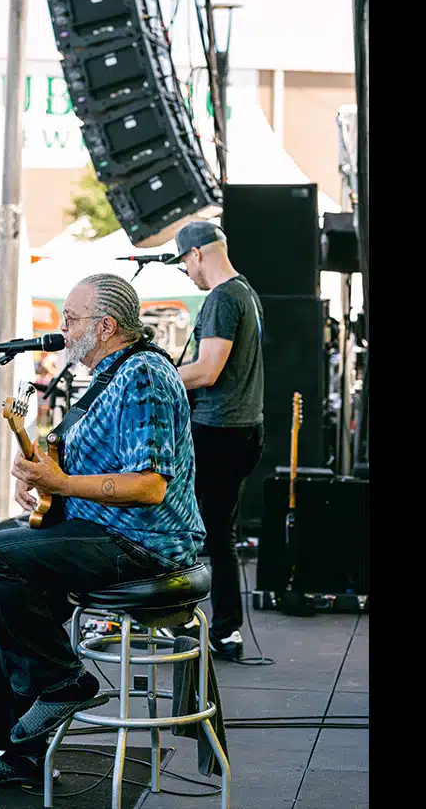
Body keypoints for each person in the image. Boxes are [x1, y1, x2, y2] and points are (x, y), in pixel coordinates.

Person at [0, 273, 204, 786]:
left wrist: (62, 483)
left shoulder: (143, 378)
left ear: (106, 326)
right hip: (106, 531)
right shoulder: (113, 374)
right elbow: (83, 459)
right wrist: (40, 476)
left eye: (70, 319)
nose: (63, 329)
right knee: (9, 593)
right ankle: (18, 753)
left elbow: (150, 486)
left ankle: (63, 683)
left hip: (144, 543)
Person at [165, 221, 264, 662]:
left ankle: (189, 621)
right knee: (218, 533)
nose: (187, 273)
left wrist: (159, 374)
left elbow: (207, 371)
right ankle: (224, 629)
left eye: (185, 263)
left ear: (197, 254)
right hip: (241, 430)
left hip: (218, 431)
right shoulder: (246, 292)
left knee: (181, 523)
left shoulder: (223, 297)